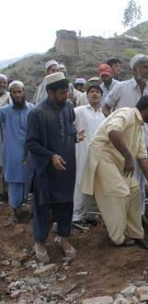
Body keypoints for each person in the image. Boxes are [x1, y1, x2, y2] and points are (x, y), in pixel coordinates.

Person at [81, 95, 148, 249]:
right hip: (103, 156)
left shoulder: (140, 127)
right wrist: (129, 158)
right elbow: (112, 132)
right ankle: (118, 237)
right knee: (120, 192)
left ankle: (136, 234)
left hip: (119, 162)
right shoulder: (127, 113)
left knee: (135, 191)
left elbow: (142, 157)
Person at [26, 72, 85, 263]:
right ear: (50, 92)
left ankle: (63, 238)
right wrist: (51, 156)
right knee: (43, 206)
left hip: (66, 166)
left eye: (66, 92)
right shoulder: (37, 113)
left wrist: (75, 136)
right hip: (45, 169)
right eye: (61, 93)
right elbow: (31, 143)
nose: (66, 95)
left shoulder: (68, 108)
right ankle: (40, 241)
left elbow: (68, 128)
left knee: (66, 203)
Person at [102, 54, 148, 226]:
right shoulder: (121, 87)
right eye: (145, 67)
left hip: (142, 141)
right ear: (135, 69)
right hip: (122, 144)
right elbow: (106, 107)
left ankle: (139, 216)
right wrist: (115, 126)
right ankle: (121, 219)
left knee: (141, 182)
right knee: (123, 181)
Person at [0, 81, 33, 221]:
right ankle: (14, 212)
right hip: (12, 153)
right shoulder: (4, 111)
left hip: (31, 152)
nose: (18, 95)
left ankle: (32, 212)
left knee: (31, 181)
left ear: (24, 92)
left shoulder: (32, 109)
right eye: (14, 92)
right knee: (14, 182)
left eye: (20, 91)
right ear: (10, 94)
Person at [73, 85, 105, 225]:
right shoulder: (79, 111)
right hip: (82, 152)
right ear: (87, 95)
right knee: (80, 182)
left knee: (94, 183)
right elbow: (69, 124)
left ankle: (90, 214)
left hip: (98, 154)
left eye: (98, 92)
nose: (95, 94)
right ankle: (76, 216)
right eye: (92, 92)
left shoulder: (103, 115)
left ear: (101, 96)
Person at [0, 74, 10, 202]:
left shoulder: (9, 98)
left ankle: (8, 192)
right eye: (0, 82)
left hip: (6, 134)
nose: (2, 85)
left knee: (6, 163)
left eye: (4, 83)